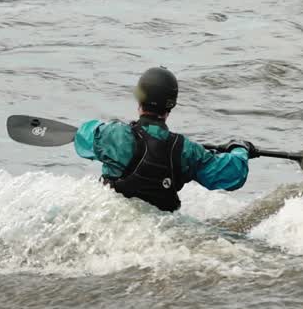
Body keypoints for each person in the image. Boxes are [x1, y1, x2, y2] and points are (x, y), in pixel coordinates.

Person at [74, 67, 258, 212]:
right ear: (171, 105)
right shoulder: (186, 150)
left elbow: (82, 138)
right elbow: (232, 175)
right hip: (159, 227)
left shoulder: (113, 134)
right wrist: (240, 149)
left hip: (111, 215)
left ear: (139, 99)